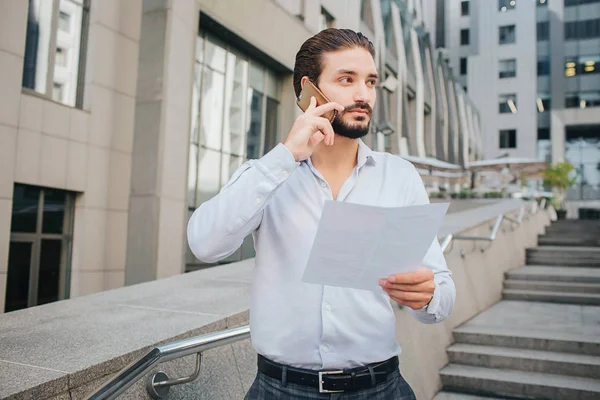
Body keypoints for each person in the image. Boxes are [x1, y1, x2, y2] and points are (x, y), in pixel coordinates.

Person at [188, 28, 455, 399]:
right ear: (308, 91)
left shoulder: (400, 175)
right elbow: (204, 244)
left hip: (381, 388)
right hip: (280, 391)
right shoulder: (267, 175)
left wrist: (427, 295)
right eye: (347, 79)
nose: (363, 94)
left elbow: (440, 296)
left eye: (371, 81)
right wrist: (285, 156)